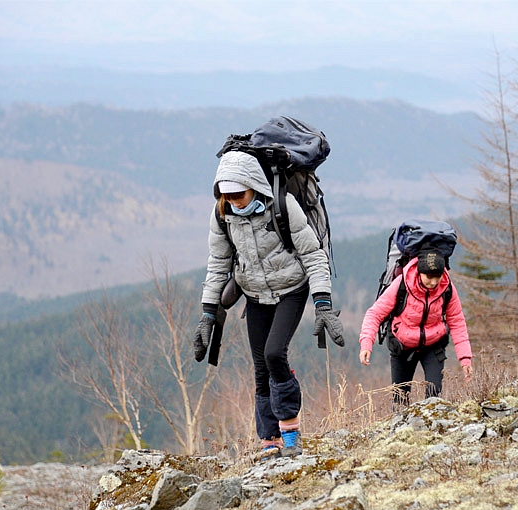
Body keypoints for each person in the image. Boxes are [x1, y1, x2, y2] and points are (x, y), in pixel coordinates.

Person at [194, 150, 345, 460]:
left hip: (292, 287)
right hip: (254, 292)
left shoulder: (283, 206)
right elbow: (218, 263)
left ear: (254, 185)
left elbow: (314, 255)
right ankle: (269, 441)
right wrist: (208, 314)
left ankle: (291, 432)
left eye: (239, 193)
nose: (234, 200)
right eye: (227, 195)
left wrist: (323, 305)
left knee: (275, 353)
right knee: (261, 369)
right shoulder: (222, 214)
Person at [358, 249, 473, 405]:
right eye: (429, 277)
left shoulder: (447, 288)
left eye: (437, 277)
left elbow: (457, 321)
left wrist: (465, 359)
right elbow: (375, 313)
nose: (433, 282)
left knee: (434, 396)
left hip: (433, 345)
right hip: (402, 346)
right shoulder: (402, 284)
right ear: (419, 272)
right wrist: (366, 343)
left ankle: (432, 428)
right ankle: (402, 429)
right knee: (400, 399)